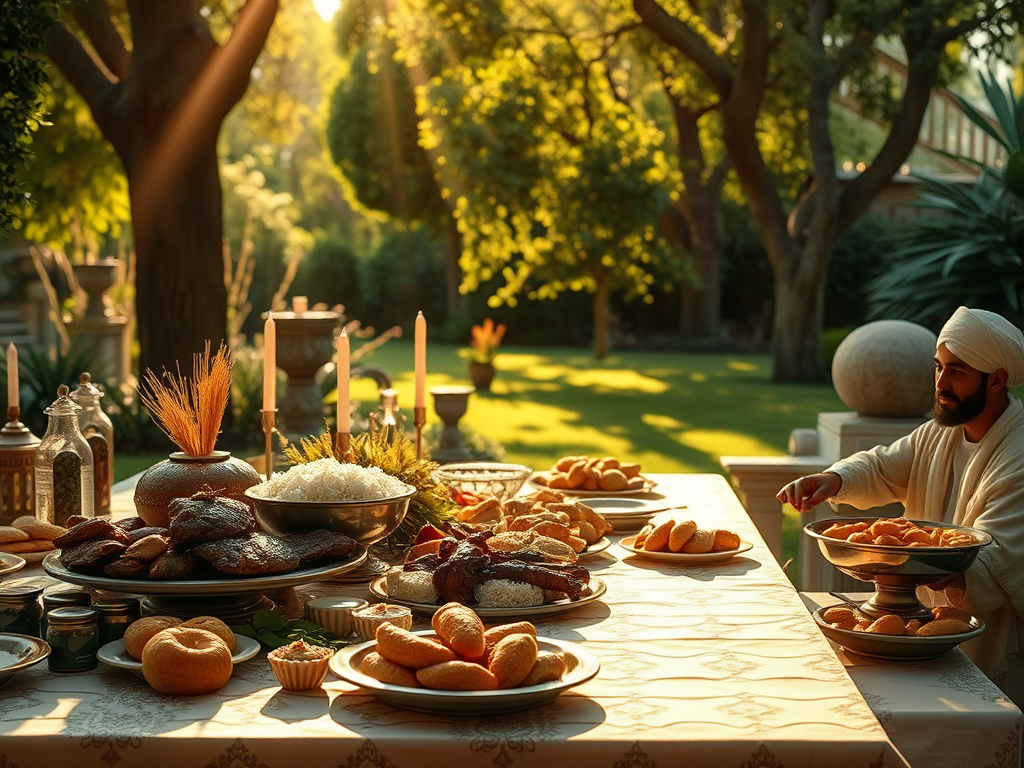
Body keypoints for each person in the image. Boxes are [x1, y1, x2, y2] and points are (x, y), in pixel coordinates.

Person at [777, 306, 1024, 703]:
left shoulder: (1018, 456)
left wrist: (903, 562)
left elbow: (996, 562)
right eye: (938, 367)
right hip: (917, 625)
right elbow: (881, 466)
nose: (941, 382)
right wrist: (831, 480)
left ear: (996, 380)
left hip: (985, 647)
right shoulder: (937, 435)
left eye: (956, 371)